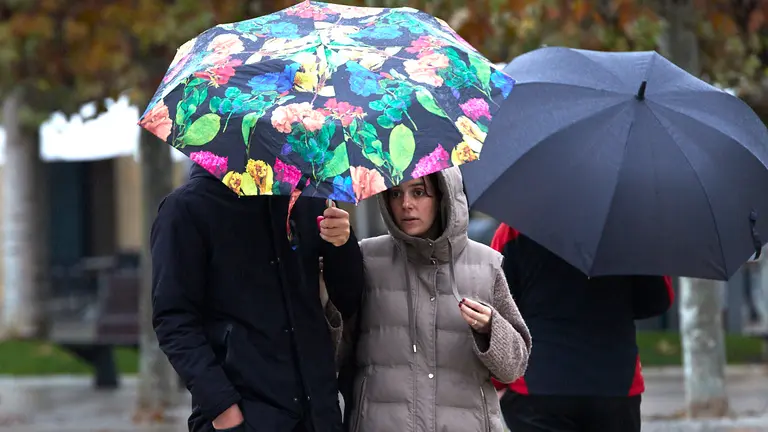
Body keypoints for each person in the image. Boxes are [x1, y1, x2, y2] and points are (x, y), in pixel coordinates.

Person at [151, 162, 364, 432]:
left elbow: (348, 298)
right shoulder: (187, 209)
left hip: (318, 416)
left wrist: (342, 245)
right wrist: (223, 410)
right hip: (243, 415)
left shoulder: (308, 198)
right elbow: (173, 319)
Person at [338, 167, 532, 432]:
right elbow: (334, 353)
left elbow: (514, 368)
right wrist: (329, 280)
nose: (406, 204)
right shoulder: (366, 259)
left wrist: (491, 328)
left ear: (444, 196)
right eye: (395, 193)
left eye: (419, 192)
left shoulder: (485, 265)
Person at [490, 224, 674, 432]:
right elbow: (657, 300)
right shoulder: (633, 231)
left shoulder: (515, 229)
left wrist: (497, 383)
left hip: (537, 384)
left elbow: (495, 305)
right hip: (615, 382)